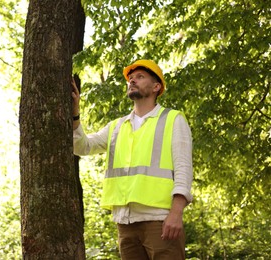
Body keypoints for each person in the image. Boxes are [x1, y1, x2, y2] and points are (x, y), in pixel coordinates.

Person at [71, 60, 193, 260]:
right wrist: (75, 113)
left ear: (156, 87)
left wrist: (176, 212)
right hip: (125, 223)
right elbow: (82, 146)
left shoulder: (173, 119)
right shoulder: (117, 127)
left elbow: (183, 168)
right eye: (130, 78)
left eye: (140, 77)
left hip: (160, 221)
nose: (132, 81)